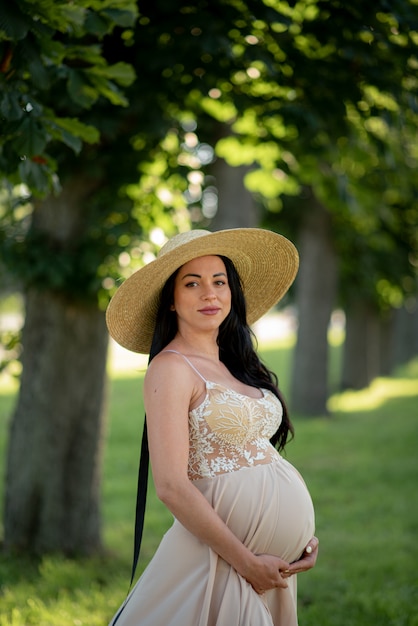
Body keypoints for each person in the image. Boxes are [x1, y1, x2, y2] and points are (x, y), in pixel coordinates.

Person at [106, 228, 318, 626]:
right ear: (171, 299)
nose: (210, 294)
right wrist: (248, 563)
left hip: (271, 568)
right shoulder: (170, 369)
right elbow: (170, 486)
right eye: (192, 283)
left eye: (219, 282)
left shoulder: (237, 364)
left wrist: (299, 539)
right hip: (220, 563)